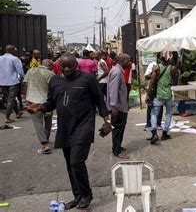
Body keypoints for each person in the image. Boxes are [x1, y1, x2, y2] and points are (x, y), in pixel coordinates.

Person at [27, 53, 110, 210]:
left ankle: (86, 195)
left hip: (84, 125)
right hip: (65, 127)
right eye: (63, 66)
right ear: (59, 65)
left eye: (70, 66)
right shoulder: (55, 81)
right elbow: (51, 102)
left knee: (76, 161)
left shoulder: (87, 79)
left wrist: (107, 122)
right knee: (70, 164)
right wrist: (40, 107)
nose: (66, 69)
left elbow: (99, 100)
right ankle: (77, 196)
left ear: (76, 65)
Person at [23, 59, 55, 154]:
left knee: (38, 123)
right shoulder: (50, 74)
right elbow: (53, 89)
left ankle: (44, 145)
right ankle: (47, 138)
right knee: (48, 121)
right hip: (46, 103)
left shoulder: (30, 70)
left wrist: (26, 98)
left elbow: (24, 84)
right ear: (50, 66)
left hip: (32, 101)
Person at [146, 52, 178, 143]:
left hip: (158, 95)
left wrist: (148, 94)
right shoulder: (173, 68)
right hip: (168, 94)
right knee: (168, 114)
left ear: (160, 58)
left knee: (154, 113)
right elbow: (174, 79)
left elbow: (152, 82)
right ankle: (164, 134)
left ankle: (154, 134)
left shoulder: (156, 68)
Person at [107, 54, 131, 159]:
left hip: (121, 106)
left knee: (120, 128)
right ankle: (116, 151)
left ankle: (118, 147)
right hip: (118, 107)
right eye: (128, 60)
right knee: (117, 129)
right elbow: (113, 91)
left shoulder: (118, 71)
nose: (130, 63)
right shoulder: (117, 72)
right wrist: (114, 107)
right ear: (123, 61)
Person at [0, 45, 25, 123]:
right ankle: (7, 117)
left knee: (10, 98)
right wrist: (23, 79)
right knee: (11, 99)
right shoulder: (14, 59)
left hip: (3, 82)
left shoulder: (0, 58)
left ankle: (17, 113)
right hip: (13, 82)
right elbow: (20, 71)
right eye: (14, 50)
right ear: (12, 51)